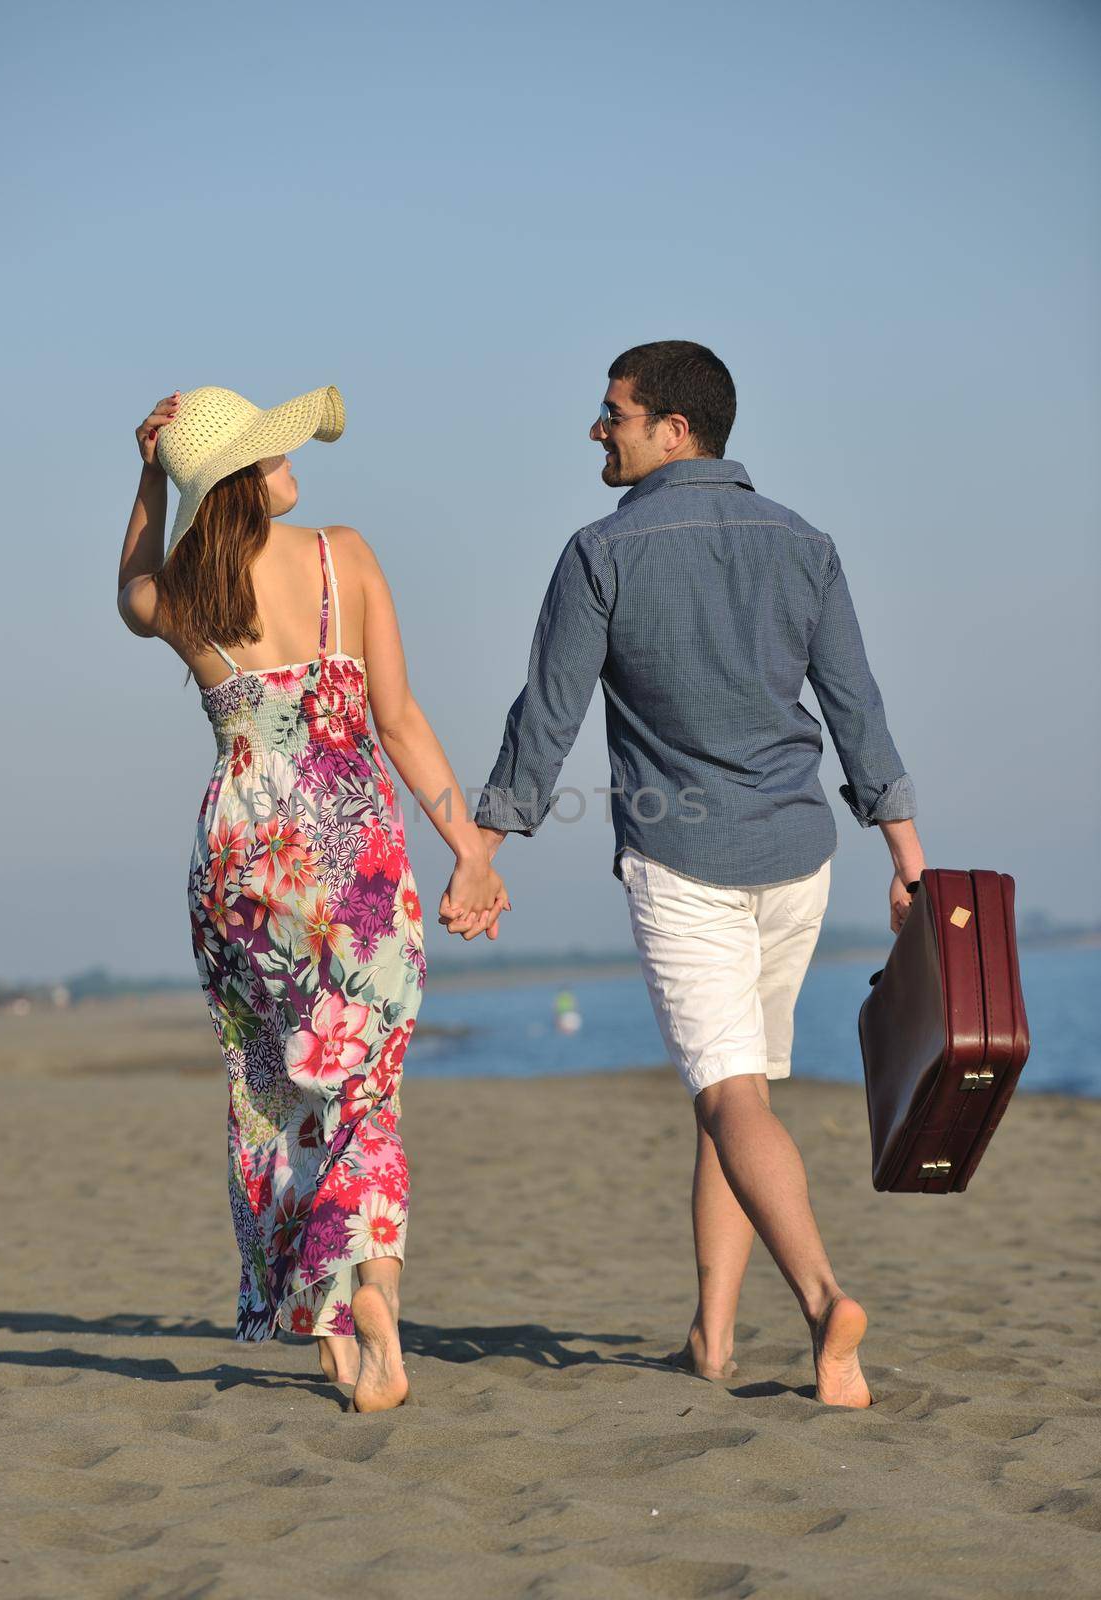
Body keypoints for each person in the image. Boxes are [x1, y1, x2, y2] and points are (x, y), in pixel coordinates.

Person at [455, 341, 927, 1408]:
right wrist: (907, 858)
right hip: (801, 856)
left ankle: (821, 1301)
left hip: (685, 863)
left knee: (729, 1096)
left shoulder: (601, 553)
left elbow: (547, 719)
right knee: (734, 1095)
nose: (597, 429)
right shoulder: (805, 545)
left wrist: (484, 846)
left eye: (612, 413)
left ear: (675, 429)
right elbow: (859, 712)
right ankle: (712, 1341)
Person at [117, 384, 509, 1412]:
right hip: (356, 863)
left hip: (242, 859)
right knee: (362, 1086)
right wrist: (468, 848)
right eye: (274, 450)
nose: (296, 461)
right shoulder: (345, 556)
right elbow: (402, 720)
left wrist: (147, 473)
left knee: (275, 1089)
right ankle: (370, 1299)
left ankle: (328, 1321)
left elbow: (129, 585)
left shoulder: (182, 601)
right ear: (241, 480)